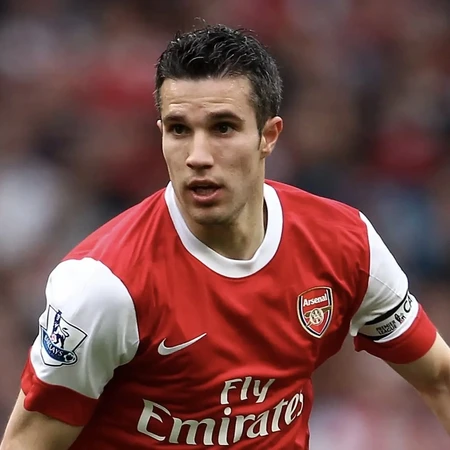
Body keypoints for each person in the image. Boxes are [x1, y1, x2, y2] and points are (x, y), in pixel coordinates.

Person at [1, 24, 449, 450]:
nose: (197, 156)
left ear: (268, 136)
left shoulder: (345, 243)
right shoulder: (105, 287)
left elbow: (439, 378)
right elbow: (26, 441)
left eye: (223, 128)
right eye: (179, 129)